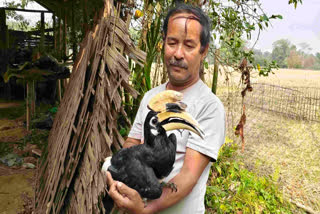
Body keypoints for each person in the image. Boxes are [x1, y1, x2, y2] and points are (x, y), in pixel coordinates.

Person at [106, 3, 225, 214]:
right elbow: (133, 143)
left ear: (203, 50)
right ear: (163, 44)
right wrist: (123, 178)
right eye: (172, 42)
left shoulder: (209, 106)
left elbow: (188, 173)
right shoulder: (153, 97)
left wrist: (145, 209)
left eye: (189, 45)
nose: (178, 53)